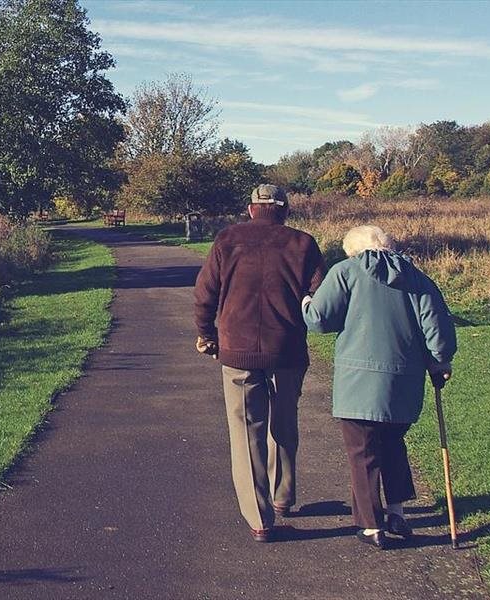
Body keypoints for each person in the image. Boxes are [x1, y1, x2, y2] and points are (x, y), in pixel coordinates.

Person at [302, 225, 456, 549]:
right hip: (404, 382)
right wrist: (440, 362)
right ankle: (397, 512)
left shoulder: (346, 272)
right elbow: (438, 333)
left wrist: (305, 302)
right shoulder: (418, 278)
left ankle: (372, 525)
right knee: (393, 444)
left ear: (354, 251)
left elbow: (319, 319)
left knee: (363, 452)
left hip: (357, 383)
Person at [193, 184, 326, 542]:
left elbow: (205, 292)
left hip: (237, 349)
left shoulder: (227, 239)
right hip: (288, 349)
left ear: (251, 208)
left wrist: (206, 334)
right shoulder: (303, 243)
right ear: (284, 209)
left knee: (246, 432)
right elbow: (319, 295)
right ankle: (283, 497)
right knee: (284, 423)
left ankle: (259, 518)